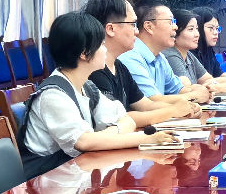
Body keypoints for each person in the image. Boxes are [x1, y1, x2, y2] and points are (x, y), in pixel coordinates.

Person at [17, 12, 178, 179]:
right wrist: (144, 139)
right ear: (84, 53)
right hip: (47, 182)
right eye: (101, 44)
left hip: (75, 175)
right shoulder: (53, 95)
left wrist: (101, 137)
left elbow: (127, 120)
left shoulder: (87, 87)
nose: (105, 49)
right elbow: (83, 142)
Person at [83, 0, 203, 125]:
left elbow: (145, 105)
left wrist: (186, 108)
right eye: (133, 24)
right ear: (111, 29)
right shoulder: (95, 70)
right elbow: (117, 119)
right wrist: (173, 110)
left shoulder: (119, 66)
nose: (136, 31)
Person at [118, 0, 212, 103]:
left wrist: (201, 90)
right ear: (149, 27)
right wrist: (194, 96)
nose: (175, 27)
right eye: (170, 22)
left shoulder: (159, 57)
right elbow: (151, 100)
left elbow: (178, 89)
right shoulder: (130, 57)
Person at [162, 9, 226, 93]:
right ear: (175, 32)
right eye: (191, 29)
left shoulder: (189, 55)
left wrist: (215, 86)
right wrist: (219, 88)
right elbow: (187, 90)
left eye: (197, 29)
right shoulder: (171, 55)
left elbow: (208, 79)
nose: (197, 34)